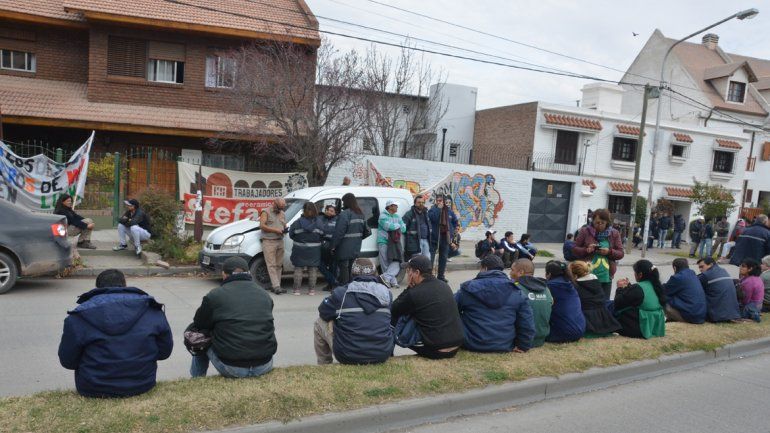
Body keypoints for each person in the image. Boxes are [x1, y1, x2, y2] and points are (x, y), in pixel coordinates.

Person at [58, 269, 172, 397]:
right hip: (142, 384)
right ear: (125, 285)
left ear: (98, 288)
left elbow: (68, 361)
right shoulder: (152, 310)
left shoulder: (78, 317)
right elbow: (164, 353)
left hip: (93, 388)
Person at [190, 257, 277, 378]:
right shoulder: (264, 294)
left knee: (199, 336)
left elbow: (199, 324)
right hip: (265, 365)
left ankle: (197, 378)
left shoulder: (215, 296)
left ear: (224, 275)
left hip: (232, 368)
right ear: (248, 273)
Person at [314, 258, 394, 365]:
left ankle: (325, 364)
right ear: (375, 274)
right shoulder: (387, 294)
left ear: (352, 274)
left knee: (319, 323)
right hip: (382, 354)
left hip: (347, 355)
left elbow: (323, 313)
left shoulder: (340, 293)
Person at [455, 255, 535, 353]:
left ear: (485, 268)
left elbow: (449, 310)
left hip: (470, 342)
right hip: (504, 344)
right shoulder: (517, 291)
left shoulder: (467, 289)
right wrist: (523, 345)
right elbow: (526, 322)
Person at [391, 255, 464, 359]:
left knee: (395, 316)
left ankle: (388, 353)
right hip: (456, 345)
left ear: (416, 273)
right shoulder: (444, 285)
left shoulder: (415, 293)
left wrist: (408, 288)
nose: (408, 274)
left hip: (436, 349)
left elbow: (394, 309)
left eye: (409, 271)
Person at [572, 208, 624, 300]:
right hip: (586, 275)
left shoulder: (614, 233)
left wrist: (609, 252)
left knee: (604, 303)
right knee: (587, 302)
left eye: (602, 223)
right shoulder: (585, 231)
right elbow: (574, 249)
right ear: (593, 221)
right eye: (597, 222)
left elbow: (620, 253)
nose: (599, 225)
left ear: (607, 222)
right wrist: (586, 250)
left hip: (606, 277)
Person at [613, 260, 666, 339]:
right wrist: (629, 287)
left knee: (609, 306)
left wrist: (620, 288)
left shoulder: (638, 288)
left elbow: (617, 303)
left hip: (639, 328)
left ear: (640, 274)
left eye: (635, 272)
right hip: (655, 327)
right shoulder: (658, 286)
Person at [569, 261, 621, 337]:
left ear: (575, 275)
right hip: (603, 319)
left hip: (586, 320)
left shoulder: (575, 285)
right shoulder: (595, 280)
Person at [511, 258, 552, 348]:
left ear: (520, 272)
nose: (510, 273)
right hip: (541, 338)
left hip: (521, 340)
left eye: (512, 270)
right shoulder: (546, 288)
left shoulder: (516, 288)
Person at [332, 193, 371, 285]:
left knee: (344, 267)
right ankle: (349, 286)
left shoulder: (344, 214)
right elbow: (367, 231)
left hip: (344, 247)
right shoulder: (360, 214)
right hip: (356, 246)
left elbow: (339, 233)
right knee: (350, 267)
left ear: (347, 202)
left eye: (343, 202)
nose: (342, 204)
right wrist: (357, 239)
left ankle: (344, 287)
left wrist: (332, 246)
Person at [544, 260, 585, 343]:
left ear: (549, 274)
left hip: (562, 333)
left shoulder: (550, 287)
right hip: (580, 330)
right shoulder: (570, 284)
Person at [289, 202, 323, 296]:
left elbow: (291, 235)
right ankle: (311, 291)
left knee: (298, 269)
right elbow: (322, 235)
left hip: (299, 249)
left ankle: (296, 290)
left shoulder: (297, 222)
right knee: (313, 269)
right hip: (314, 250)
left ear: (303, 210)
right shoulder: (319, 222)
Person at [257, 198, 287, 294]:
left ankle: (276, 285)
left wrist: (285, 229)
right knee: (271, 265)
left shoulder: (282, 213)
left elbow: (284, 224)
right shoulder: (265, 212)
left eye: (282, 207)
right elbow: (262, 226)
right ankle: (276, 286)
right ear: (274, 204)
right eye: (279, 207)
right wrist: (275, 230)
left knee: (279, 265)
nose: (281, 209)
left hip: (280, 241)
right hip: (269, 241)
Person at [662, 258, 706, 324]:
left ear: (674, 268)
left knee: (662, 299)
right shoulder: (692, 274)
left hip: (690, 316)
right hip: (701, 314)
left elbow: (665, 291)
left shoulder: (677, 277)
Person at [697, 257, 741, 322]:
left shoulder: (706, 275)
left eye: (702, 267)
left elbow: (693, 286)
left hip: (716, 314)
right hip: (733, 313)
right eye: (699, 267)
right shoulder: (723, 270)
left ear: (711, 264)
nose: (700, 269)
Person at [428, 194, 458, 282]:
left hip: (445, 238)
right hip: (435, 237)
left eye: (441, 200)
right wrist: (438, 209)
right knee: (431, 258)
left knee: (443, 257)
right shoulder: (433, 210)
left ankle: (441, 276)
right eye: (438, 200)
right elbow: (432, 218)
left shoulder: (449, 211)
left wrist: (454, 229)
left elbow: (455, 221)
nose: (439, 202)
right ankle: (429, 276)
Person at [376, 200, 406, 288]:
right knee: (385, 262)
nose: (397, 207)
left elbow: (404, 229)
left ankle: (386, 278)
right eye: (395, 205)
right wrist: (398, 225)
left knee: (396, 261)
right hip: (383, 242)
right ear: (390, 206)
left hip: (394, 244)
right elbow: (389, 227)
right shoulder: (382, 216)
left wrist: (397, 225)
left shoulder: (397, 216)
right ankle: (391, 281)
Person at [402, 195, 432, 260]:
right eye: (419, 202)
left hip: (426, 240)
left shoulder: (425, 213)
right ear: (415, 203)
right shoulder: (410, 214)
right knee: (417, 260)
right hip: (415, 242)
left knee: (427, 260)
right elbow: (402, 227)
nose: (421, 204)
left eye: (422, 202)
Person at [317, 204, 338, 292]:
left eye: (332, 211)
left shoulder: (338, 219)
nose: (329, 212)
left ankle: (331, 285)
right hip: (322, 246)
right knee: (320, 265)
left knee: (333, 266)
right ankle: (333, 281)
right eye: (328, 210)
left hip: (333, 245)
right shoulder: (320, 218)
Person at [738, 258, 763, 322]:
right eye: (740, 265)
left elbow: (745, 300)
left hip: (750, 308)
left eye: (743, 266)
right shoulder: (755, 277)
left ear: (750, 269)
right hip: (757, 306)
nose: (740, 267)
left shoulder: (749, 281)